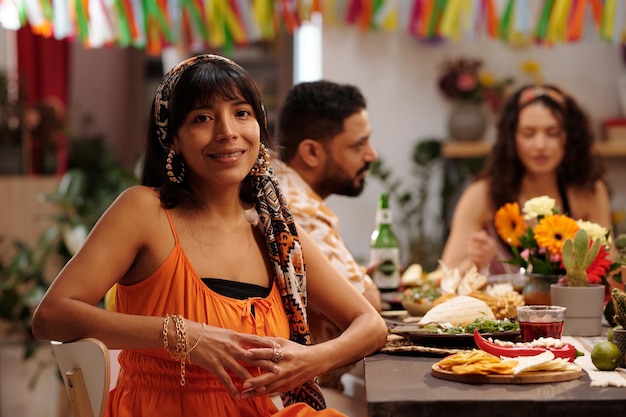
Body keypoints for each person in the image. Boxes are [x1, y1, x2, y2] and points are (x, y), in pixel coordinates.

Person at [32, 54, 387, 417]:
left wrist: (311, 360)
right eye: (203, 117)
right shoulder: (143, 211)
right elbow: (51, 316)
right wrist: (182, 335)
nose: (227, 131)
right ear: (172, 139)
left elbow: (372, 325)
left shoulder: (273, 228)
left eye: (242, 112)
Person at [272, 80, 381, 388]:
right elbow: (368, 306)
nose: (371, 155)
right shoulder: (296, 207)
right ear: (311, 152)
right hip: (293, 394)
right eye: (358, 145)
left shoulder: (280, 187)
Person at [440, 84, 612, 275]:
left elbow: (611, 276)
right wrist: (475, 263)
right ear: (511, 139)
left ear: (570, 137)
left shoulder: (589, 192)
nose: (540, 145)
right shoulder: (481, 194)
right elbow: (444, 278)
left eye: (553, 133)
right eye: (528, 134)